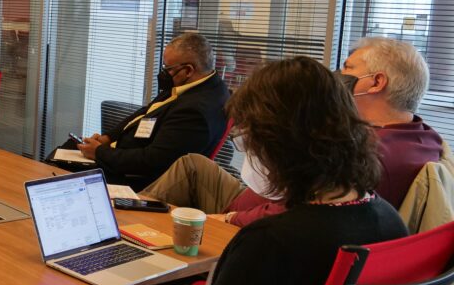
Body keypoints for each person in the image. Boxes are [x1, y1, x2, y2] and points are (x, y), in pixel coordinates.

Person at [37, 56, 409, 285]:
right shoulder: (390, 222)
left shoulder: (272, 242)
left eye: (251, 139)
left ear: (280, 145)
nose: (250, 153)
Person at [143, 36, 443, 227]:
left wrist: (229, 218)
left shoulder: (370, 155)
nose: (336, 76)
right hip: (258, 199)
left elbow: (301, 214)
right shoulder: (422, 137)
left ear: (376, 82)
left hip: (252, 217)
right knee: (193, 164)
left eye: (348, 68)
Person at [68, 32, 229, 190]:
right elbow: (145, 112)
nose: (164, 73)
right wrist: (107, 138)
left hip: (135, 179)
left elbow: (152, 162)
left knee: (59, 172)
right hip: (122, 155)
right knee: (68, 148)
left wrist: (99, 153)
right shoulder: (195, 84)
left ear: (188, 70)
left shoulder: (195, 112)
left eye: (168, 68)